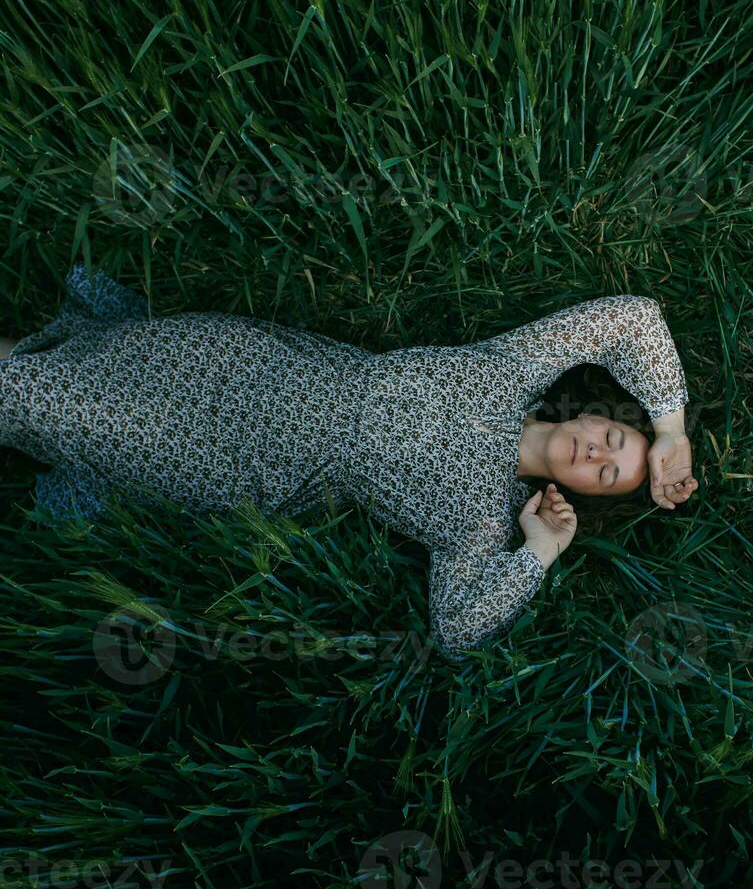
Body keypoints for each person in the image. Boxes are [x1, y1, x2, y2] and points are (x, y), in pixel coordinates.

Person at [0, 263, 699, 659]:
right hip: (248, 365)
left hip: (231, 461)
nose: (600, 451)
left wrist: (538, 551)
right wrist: (669, 432)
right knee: (69, 365)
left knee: (42, 403)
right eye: (614, 437)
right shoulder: (510, 368)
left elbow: (456, 631)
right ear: (589, 413)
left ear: (577, 490)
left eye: (607, 472)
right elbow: (634, 317)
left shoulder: (478, 517)